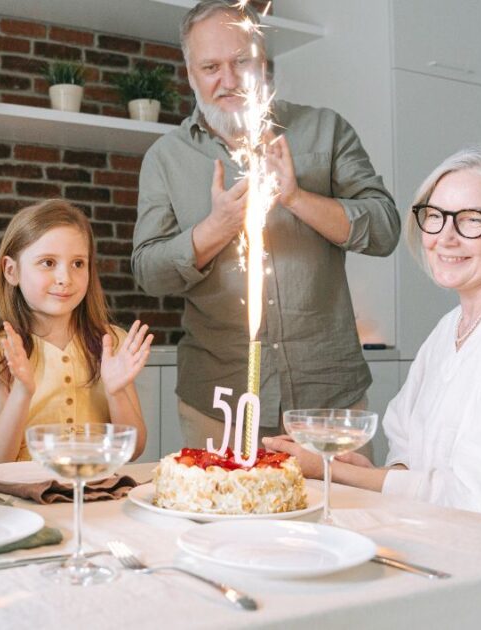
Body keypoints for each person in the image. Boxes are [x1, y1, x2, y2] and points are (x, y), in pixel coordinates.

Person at [266, 146, 481, 539]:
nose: (444, 237)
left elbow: (478, 497)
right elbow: (409, 451)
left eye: (472, 220)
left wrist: (331, 470)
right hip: (451, 535)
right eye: (435, 216)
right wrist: (377, 472)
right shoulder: (451, 326)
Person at [131, 0, 400, 449]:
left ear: (263, 61)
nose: (228, 80)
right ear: (191, 72)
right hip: (219, 402)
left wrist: (295, 197)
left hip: (327, 398)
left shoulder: (325, 130)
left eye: (241, 62)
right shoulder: (165, 158)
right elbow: (148, 273)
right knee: (222, 521)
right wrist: (217, 226)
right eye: (211, 66)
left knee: (345, 519)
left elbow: (386, 228)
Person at [0, 200, 150, 464]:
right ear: (12, 271)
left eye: (78, 264)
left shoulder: (112, 342)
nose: (65, 278)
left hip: (96, 493)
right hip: (28, 496)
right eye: (48, 263)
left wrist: (116, 393)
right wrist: (22, 391)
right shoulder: (0, 350)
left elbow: (135, 449)